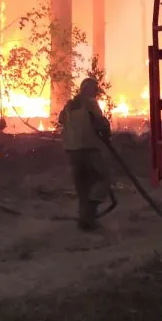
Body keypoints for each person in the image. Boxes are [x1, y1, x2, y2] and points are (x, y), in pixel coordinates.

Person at [57, 77, 113, 231]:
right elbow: (101, 123)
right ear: (89, 89)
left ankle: (84, 222)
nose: (96, 93)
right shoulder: (90, 103)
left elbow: (61, 120)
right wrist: (107, 133)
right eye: (94, 90)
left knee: (83, 187)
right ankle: (89, 212)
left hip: (72, 152)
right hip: (89, 149)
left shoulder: (69, 105)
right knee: (103, 179)